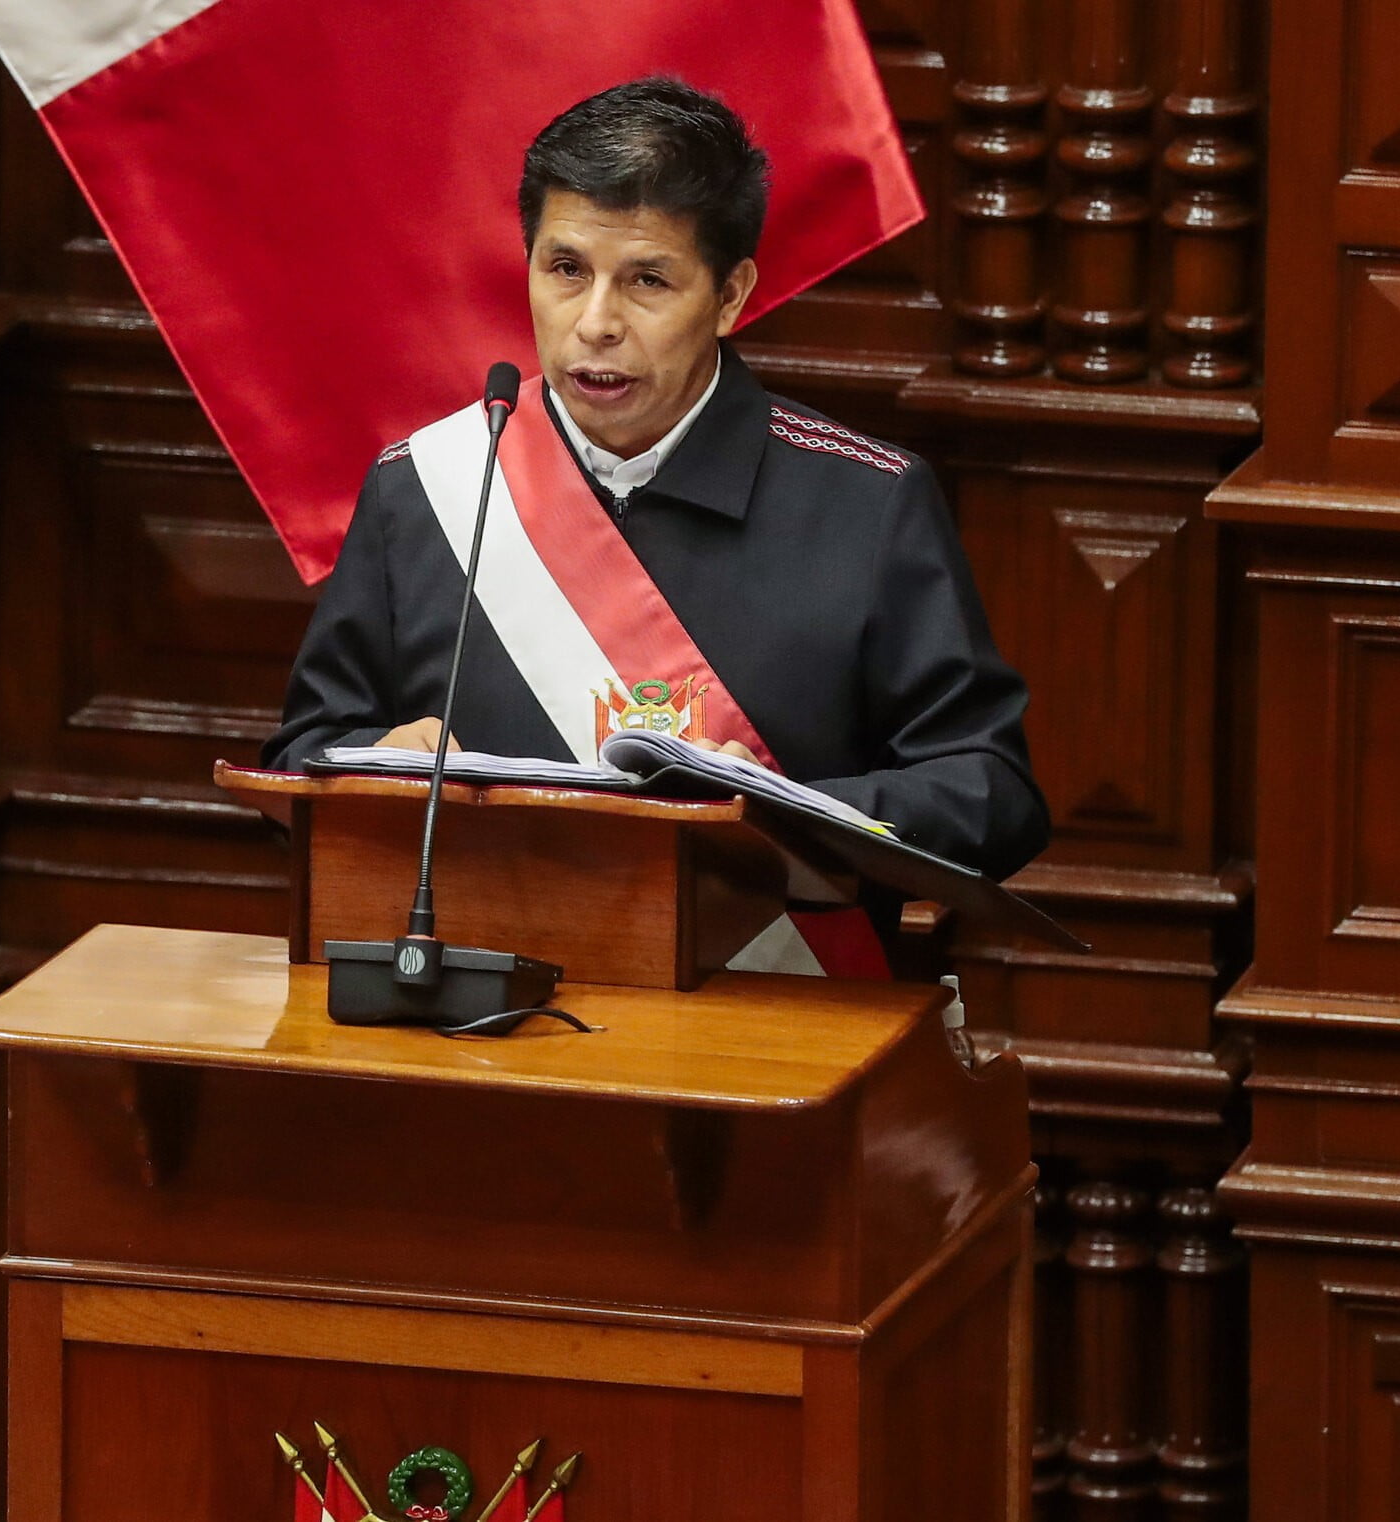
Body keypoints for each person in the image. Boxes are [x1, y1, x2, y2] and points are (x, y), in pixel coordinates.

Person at [262, 77, 1048, 935]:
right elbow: (302, 758)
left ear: (731, 294)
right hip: (479, 998)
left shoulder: (865, 501)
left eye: (646, 281)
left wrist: (781, 813)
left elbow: (991, 793)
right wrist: (370, 767)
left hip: (771, 1016)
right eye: (565, 270)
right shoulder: (427, 488)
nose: (594, 323)